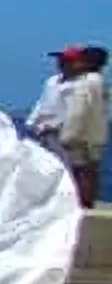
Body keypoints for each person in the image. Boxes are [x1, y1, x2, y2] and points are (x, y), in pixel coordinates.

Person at [59, 46, 107, 209]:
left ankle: (82, 204)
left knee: (80, 170)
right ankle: (89, 201)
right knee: (92, 170)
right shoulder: (100, 81)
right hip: (97, 133)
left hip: (82, 135)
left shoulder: (84, 83)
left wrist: (68, 135)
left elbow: (77, 112)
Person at [28, 46, 82, 157]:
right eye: (60, 60)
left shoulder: (79, 85)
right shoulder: (52, 81)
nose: (61, 63)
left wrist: (56, 126)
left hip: (62, 134)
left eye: (66, 61)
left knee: (62, 162)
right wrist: (31, 122)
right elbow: (42, 102)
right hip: (41, 132)